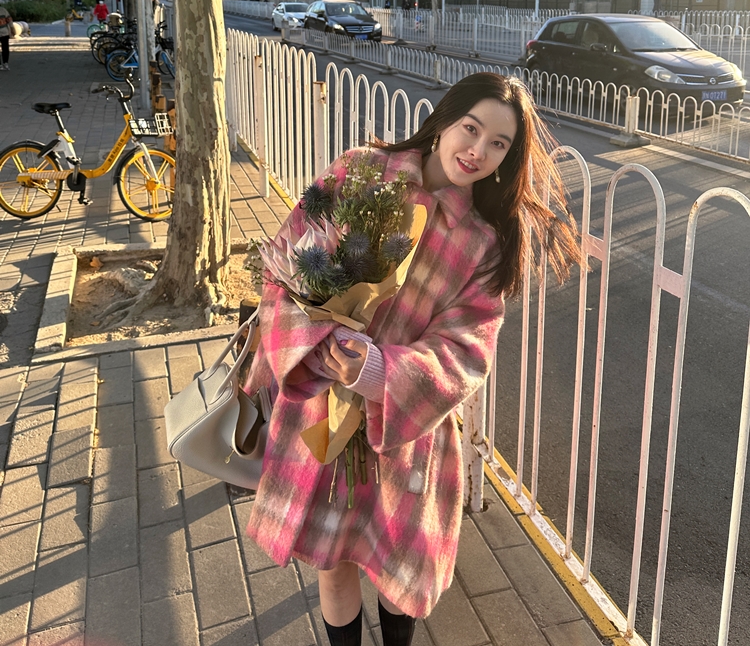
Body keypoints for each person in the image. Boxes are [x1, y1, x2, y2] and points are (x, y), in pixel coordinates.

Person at [243, 72, 580, 646]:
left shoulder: (483, 243)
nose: (477, 150)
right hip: (323, 408)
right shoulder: (362, 170)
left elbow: (468, 348)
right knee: (333, 560)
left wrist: (379, 372)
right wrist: (318, 348)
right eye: (470, 128)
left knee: (398, 574)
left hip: (404, 432)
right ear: (445, 120)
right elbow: (286, 263)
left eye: (498, 143)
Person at [0, 5, 12, 70]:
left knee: (5, 48)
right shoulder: (3, 10)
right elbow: (9, 19)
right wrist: (12, 28)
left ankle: (0, 65)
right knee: (5, 48)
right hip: (4, 32)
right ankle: (5, 63)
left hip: (4, 32)